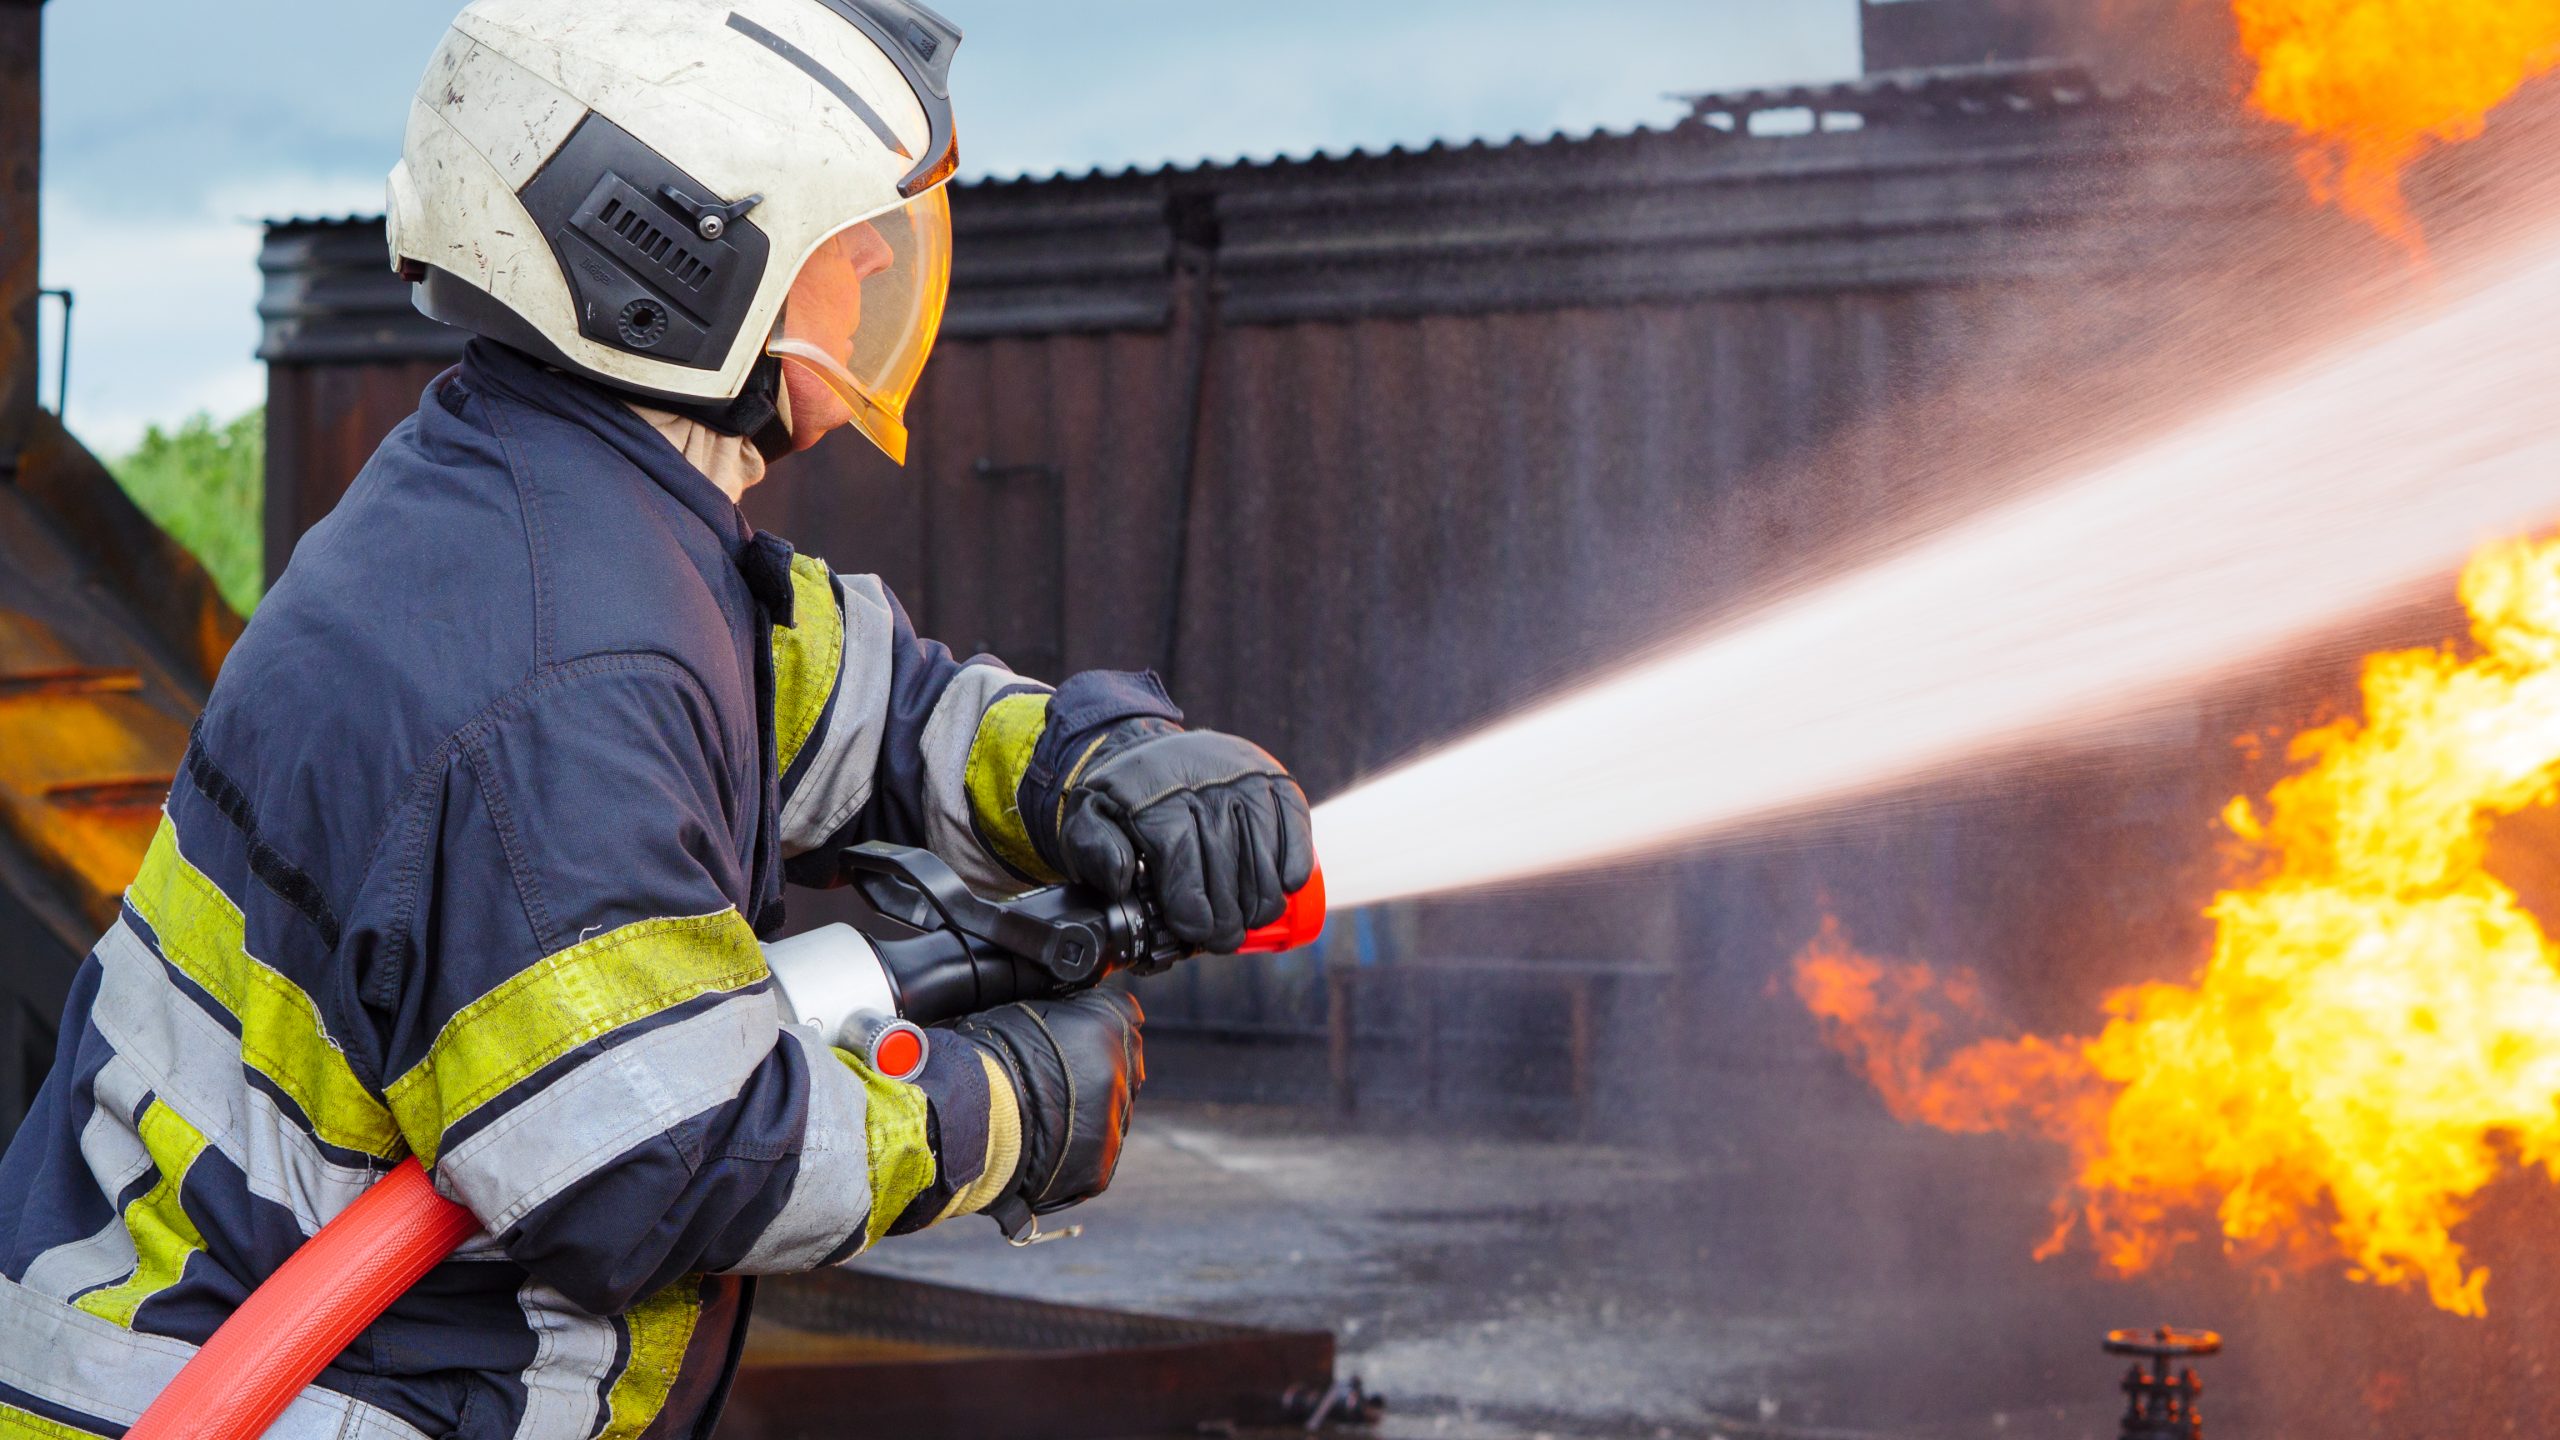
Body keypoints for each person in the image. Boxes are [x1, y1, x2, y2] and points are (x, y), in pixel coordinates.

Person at [0, 2, 1314, 1435]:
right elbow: (659, 1159)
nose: (880, 260)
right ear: (676, 261)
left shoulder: (554, 509)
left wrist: (1097, 768)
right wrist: (1004, 1110)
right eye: (841, 229)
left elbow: (872, 709)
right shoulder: (562, 666)